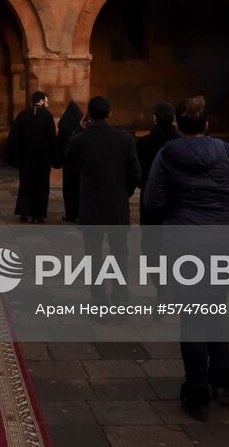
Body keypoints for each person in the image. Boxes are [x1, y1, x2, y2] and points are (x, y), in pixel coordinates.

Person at [144, 97, 229, 420]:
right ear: (206, 124)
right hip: (223, 244)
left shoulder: (166, 155)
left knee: (192, 316)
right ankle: (222, 379)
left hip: (183, 246)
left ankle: (196, 390)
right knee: (217, 309)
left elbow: (152, 203)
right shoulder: (227, 153)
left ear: (179, 126)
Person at [65, 96, 140, 304]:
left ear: (88, 113)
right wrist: (124, 192)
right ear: (110, 113)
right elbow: (135, 172)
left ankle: (99, 301)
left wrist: (79, 130)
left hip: (91, 205)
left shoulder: (81, 139)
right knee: (119, 253)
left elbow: (69, 164)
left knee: (93, 255)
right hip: (117, 205)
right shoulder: (124, 139)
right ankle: (121, 297)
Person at [7, 91, 56, 222]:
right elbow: (53, 138)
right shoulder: (47, 116)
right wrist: (54, 157)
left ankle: (24, 211)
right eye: (46, 100)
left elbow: (13, 137)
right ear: (40, 101)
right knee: (41, 185)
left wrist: (15, 157)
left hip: (26, 158)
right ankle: (38, 214)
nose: (47, 103)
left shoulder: (23, 115)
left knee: (26, 184)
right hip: (43, 159)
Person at [136, 102, 178, 225]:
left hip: (150, 198)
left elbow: (138, 173)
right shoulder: (181, 142)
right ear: (173, 119)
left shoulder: (144, 143)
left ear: (154, 118)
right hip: (176, 200)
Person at [55, 101, 84, 222]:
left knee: (69, 190)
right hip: (80, 163)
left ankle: (70, 214)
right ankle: (80, 213)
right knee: (80, 189)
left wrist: (59, 159)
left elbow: (60, 142)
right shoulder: (81, 127)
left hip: (68, 163)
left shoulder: (64, 123)